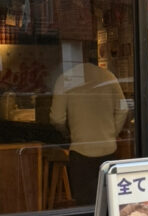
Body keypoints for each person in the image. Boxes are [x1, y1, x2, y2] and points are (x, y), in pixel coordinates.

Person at [50, 44, 128, 205]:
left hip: (80, 151)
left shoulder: (65, 79)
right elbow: (123, 109)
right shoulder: (108, 76)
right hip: (108, 150)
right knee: (108, 202)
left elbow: (57, 119)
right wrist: (111, 133)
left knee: (85, 204)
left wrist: (67, 133)